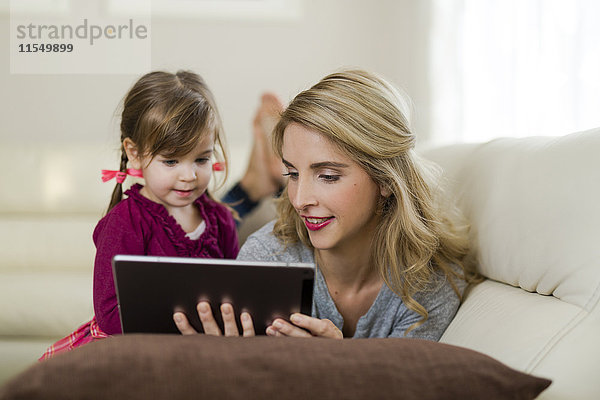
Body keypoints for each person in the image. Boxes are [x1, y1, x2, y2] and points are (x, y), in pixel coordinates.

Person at [174, 69, 476, 340]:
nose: (300, 200)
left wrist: (334, 365)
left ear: (385, 180)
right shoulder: (266, 258)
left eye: (328, 176)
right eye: (291, 173)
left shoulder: (429, 285)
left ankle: (266, 176)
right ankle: (263, 178)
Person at [40, 70, 239, 359]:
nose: (189, 175)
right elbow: (110, 313)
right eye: (171, 161)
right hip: (135, 348)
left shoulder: (220, 219)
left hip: (202, 349)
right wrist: (182, 328)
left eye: (202, 159)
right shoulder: (126, 222)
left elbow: (234, 292)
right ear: (134, 153)